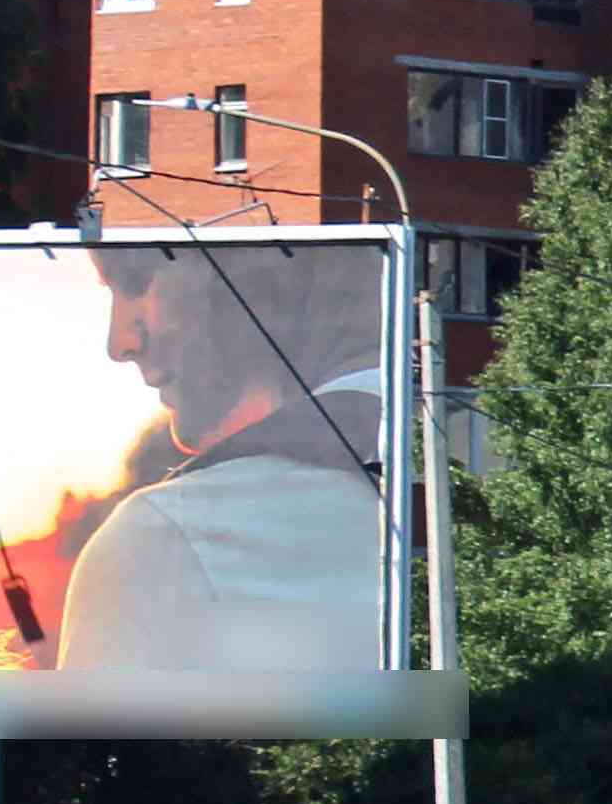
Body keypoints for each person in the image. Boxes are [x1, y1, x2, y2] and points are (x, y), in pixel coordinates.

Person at [54, 244, 394, 675]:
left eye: (137, 282)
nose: (119, 344)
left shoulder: (161, 540)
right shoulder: (460, 454)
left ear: (256, 276)